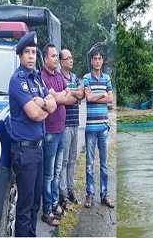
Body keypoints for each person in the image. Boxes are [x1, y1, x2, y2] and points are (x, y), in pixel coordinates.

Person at [8, 31, 57, 236]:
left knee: (35, 205)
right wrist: (44, 107)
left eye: (33, 52)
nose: (30, 56)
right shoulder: (18, 81)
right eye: (26, 52)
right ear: (20, 56)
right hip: (24, 152)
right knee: (25, 208)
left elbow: (52, 105)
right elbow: (35, 114)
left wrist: (43, 103)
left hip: (38, 150)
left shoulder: (37, 79)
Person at [40, 43, 73, 225]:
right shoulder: (43, 78)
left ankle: (54, 203)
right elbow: (57, 97)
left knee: (57, 171)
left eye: (56, 56)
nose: (55, 59)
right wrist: (60, 97)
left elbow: (67, 95)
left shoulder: (59, 76)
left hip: (61, 131)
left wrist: (60, 96)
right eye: (52, 56)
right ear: (45, 59)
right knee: (48, 174)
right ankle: (46, 210)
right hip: (50, 133)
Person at [83, 47, 114, 209]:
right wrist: (102, 95)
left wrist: (98, 97)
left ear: (102, 61)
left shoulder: (107, 78)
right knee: (89, 163)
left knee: (104, 163)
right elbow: (88, 98)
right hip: (90, 128)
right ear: (91, 61)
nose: (96, 61)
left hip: (103, 127)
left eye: (99, 58)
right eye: (94, 58)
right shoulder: (86, 78)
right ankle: (90, 193)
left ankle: (104, 194)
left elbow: (111, 98)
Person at [58, 48, 85, 207]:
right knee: (64, 160)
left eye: (72, 58)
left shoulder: (74, 77)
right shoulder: (59, 78)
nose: (71, 60)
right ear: (62, 62)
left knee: (72, 159)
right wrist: (74, 95)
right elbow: (66, 99)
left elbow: (81, 95)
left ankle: (71, 190)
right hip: (65, 124)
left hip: (76, 124)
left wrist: (73, 94)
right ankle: (63, 194)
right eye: (68, 58)